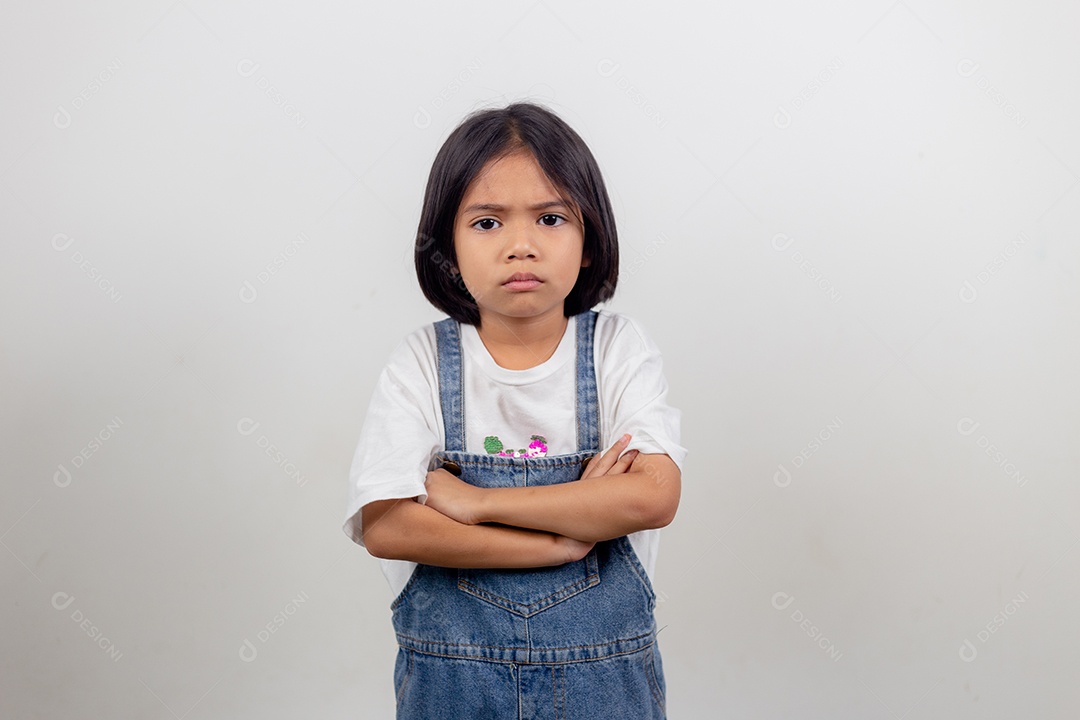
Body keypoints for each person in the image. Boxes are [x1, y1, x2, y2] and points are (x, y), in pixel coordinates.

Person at [343, 101, 687, 718]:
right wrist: (556, 542)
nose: (520, 246)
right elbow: (385, 524)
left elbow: (652, 496)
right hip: (454, 692)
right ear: (447, 243)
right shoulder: (422, 361)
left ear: (589, 242)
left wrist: (478, 503)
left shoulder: (615, 350)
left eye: (551, 218)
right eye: (487, 223)